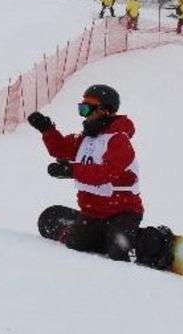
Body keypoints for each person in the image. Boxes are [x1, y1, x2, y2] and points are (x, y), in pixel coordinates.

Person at [26, 85, 143, 262]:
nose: (84, 114)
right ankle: (99, 233)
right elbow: (61, 149)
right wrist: (47, 129)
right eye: (81, 109)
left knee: (120, 254)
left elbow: (106, 173)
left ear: (105, 111)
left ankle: (152, 242)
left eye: (87, 108)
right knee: (76, 244)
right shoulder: (86, 138)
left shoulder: (118, 139)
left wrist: (72, 170)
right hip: (93, 212)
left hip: (122, 211)